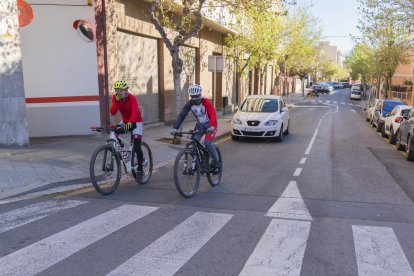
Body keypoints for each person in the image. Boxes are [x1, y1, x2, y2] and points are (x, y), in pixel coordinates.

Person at [170, 84, 221, 174]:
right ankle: (198, 162)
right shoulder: (190, 104)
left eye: (197, 96)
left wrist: (212, 126)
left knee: (207, 143)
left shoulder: (206, 102)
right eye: (193, 97)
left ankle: (217, 163)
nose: (195, 99)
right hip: (200, 125)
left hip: (211, 125)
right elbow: (182, 115)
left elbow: (213, 114)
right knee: (193, 142)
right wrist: (175, 128)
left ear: (200, 95)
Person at [110, 80, 144, 174]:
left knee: (137, 146)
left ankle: (140, 167)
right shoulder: (115, 98)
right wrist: (116, 102)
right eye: (116, 91)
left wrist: (131, 123)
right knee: (115, 131)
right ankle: (122, 149)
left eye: (120, 90)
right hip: (125, 121)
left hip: (136, 122)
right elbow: (112, 112)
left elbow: (135, 111)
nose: (118, 93)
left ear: (126, 90)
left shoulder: (132, 98)